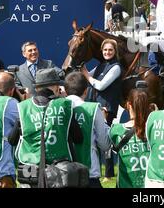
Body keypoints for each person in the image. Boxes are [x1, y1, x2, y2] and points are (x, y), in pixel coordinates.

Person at [9, 68, 83, 185]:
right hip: (59, 171)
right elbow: (79, 138)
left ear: (37, 88)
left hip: (29, 170)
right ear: (55, 86)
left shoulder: (23, 107)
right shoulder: (65, 105)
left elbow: (12, 140)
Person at [80, 38, 122, 180]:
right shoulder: (100, 65)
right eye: (105, 50)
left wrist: (85, 74)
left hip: (106, 108)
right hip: (93, 106)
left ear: (115, 51)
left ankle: (109, 174)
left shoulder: (116, 67)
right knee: (94, 140)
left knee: (105, 141)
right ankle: (94, 170)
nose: (107, 52)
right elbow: (86, 77)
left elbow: (100, 85)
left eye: (110, 50)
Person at [65, 72, 111, 188]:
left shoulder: (54, 107)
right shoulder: (93, 109)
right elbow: (105, 144)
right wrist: (104, 121)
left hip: (62, 173)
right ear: (86, 91)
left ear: (65, 91)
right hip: (88, 174)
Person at [110, 88, 155, 188]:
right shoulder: (156, 130)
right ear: (149, 107)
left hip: (126, 184)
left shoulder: (116, 130)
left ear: (129, 104)